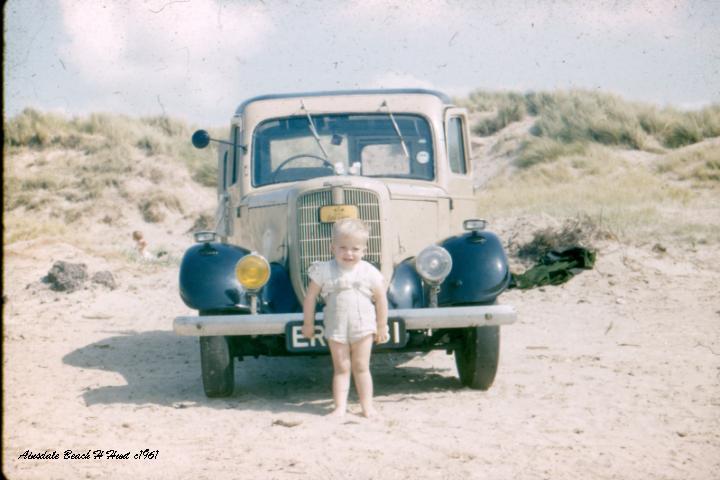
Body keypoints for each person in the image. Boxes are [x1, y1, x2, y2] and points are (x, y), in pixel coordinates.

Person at [302, 218, 388, 418]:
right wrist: (308, 323)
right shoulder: (323, 270)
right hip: (336, 327)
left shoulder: (368, 271)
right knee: (341, 367)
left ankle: (367, 407)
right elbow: (311, 297)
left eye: (355, 249)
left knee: (361, 366)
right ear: (333, 248)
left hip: (363, 327)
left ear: (364, 251)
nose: (349, 253)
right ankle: (339, 407)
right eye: (343, 248)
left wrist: (381, 325)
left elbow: (381, 298)